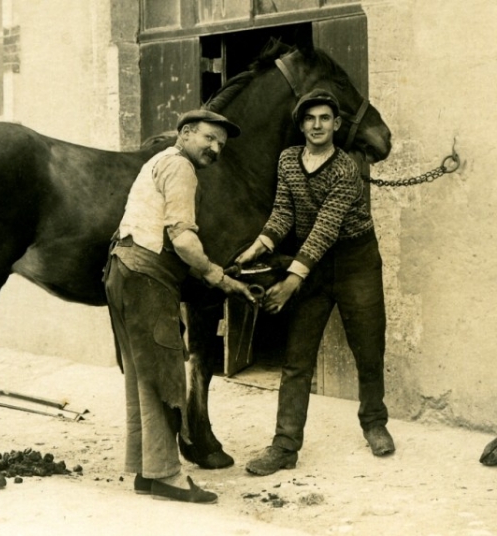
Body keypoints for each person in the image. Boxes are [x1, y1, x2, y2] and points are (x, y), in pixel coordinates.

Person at [237, 88, 395, 476]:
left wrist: (291, 280)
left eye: (325, 118)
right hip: (313, 265)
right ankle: (285, 445)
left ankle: (374, 422)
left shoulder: (345, 167)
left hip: (356, 260)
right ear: (301, 124)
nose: (317, 125)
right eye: (310, 118)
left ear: (337, 124)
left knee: (368, 348)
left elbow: (325, 228)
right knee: (297, 359)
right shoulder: (288, 160)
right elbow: (283, 213)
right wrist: (257, 246)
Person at [104, 109, 256, 503]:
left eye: (221, 144)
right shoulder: (181, 168)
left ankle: (146, 471)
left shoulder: (157, 161)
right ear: (186, 133)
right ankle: (168, 476)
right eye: (208, 138)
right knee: (165, 374)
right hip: (148, 277)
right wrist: (218, 276)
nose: (215, 148)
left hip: (120, 270)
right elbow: (184, 240)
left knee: (140, 374)